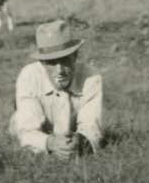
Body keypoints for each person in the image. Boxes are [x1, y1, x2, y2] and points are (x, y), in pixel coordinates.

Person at [9, 19, 103, 158]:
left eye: (64, 60)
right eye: (51, 63)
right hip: (37, 130)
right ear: (42, 62)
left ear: (75, 56)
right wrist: (50, 143)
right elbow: (27, 131)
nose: (59, 71)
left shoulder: (90, 77)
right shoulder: (29, 76)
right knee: (18, 124)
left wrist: (80, 141)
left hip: (72, 135)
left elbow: (92, 127)